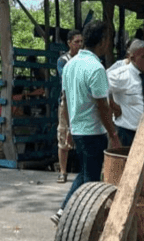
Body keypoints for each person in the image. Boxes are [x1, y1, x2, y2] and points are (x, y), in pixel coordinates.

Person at [53, 21, 122, 225]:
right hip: (93, 132)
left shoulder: (70, 65)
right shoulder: (96, 68)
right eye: (108, 39)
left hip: (78, 129)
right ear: (102, 41)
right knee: (91, 180)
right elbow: (102, 106)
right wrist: (114, 134)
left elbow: (66, 101)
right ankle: (82, 221)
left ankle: (63, 211)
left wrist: (69, 129)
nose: (109, 43)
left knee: (85, 173)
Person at [56, 30, 83, 184]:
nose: (79, 44)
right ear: (69, 43)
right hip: (66, 101)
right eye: (76, 42)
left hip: (82, 102)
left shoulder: (84, 59)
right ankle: (63, 171)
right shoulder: (63, 60)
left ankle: (83, 171)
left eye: (81, 42)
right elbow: (65, 79)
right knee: (63, 134)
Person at [108, 39, 144, 147]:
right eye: (143, 57)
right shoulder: (120, 75)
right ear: (132, 58)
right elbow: (98, 89)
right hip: (127, 133)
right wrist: (113, 106)